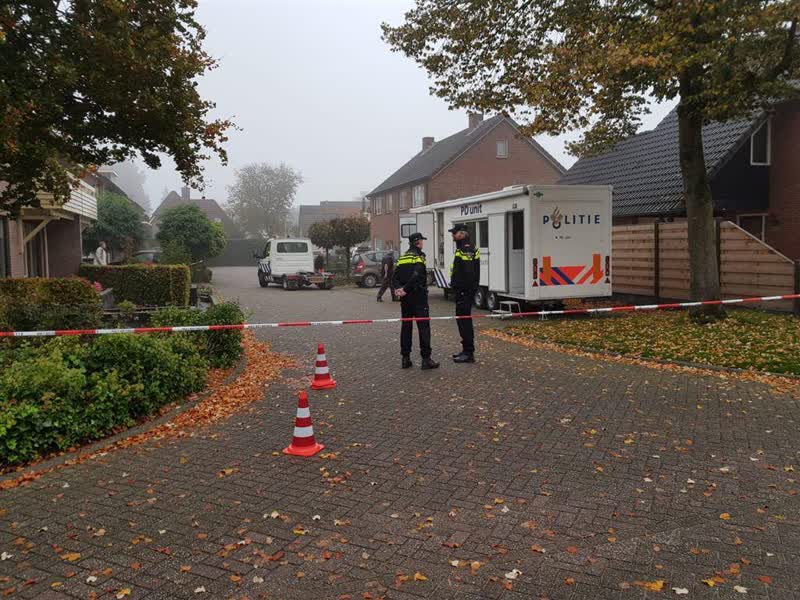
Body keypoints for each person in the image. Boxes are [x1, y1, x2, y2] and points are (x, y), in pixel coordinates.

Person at [393, 233, 439, 370]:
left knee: (406, 327)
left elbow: (394, 277)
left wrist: (399, 289)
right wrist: (405, 289)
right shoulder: (419, 256)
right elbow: (417, 275)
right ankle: (426, 359)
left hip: (405, 299)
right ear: (417, 242)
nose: (422, 243)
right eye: (421, 241)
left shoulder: (402, 257)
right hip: (418, 297)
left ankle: (405, 358)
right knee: (423, 327)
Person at [448, 224, 480, 363]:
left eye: (454, 233)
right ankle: (466, 350)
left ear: (461, 234)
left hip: (464, 292)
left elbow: (468, 272)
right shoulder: (464, 247)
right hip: (464, 291)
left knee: (464, 321)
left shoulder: (466, 249)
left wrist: (461, 289)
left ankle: (468, 352)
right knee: (462, 321)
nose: (452, 235)